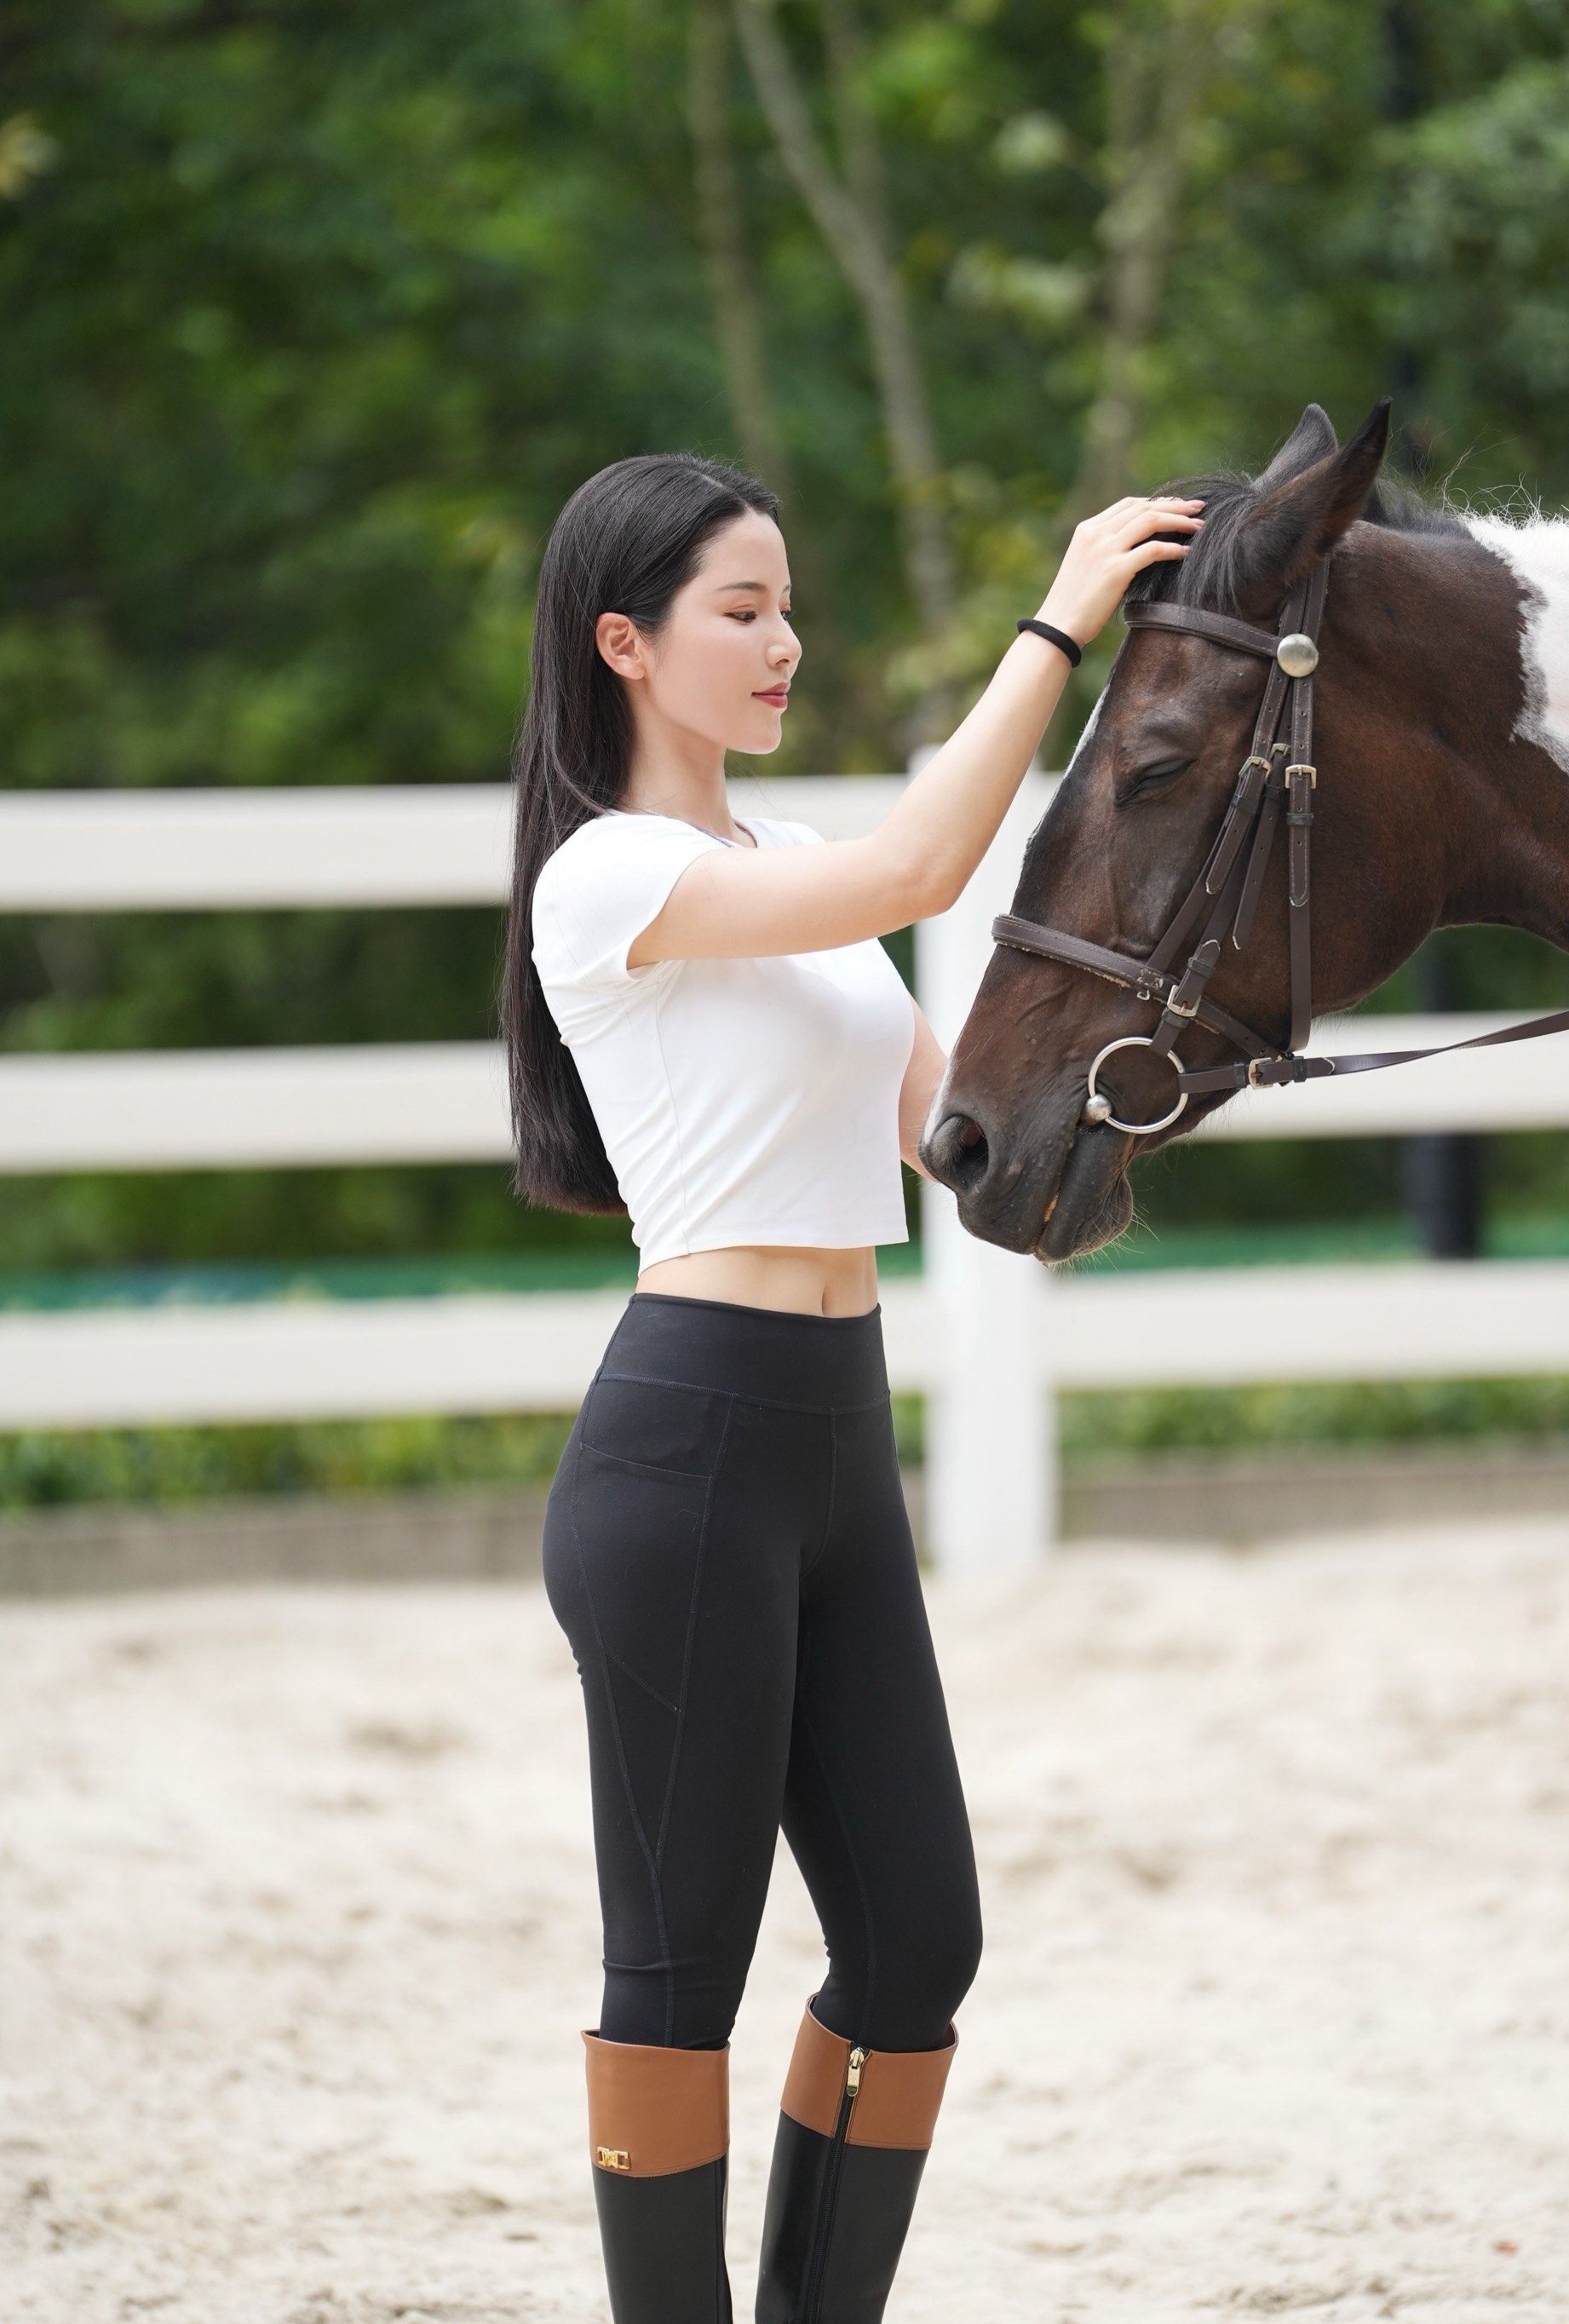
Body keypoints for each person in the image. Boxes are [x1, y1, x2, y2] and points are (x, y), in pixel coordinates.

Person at [499, 451, 1202, 2322]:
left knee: (914, 1938)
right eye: (742, 608)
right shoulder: (613, 873)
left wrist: (1159, 1071)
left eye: (786, 603)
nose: (782, 639)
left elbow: (954, 1144)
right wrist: (1064, 619)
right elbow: (915, 862)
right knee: (682, 1965)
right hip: (693, 1443)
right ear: (625, 644)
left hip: (829, 1444)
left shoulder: (763, 877)